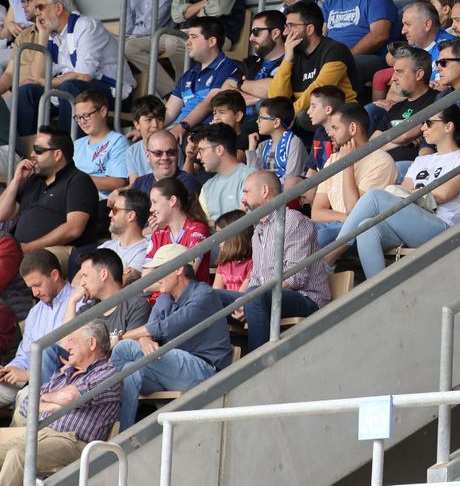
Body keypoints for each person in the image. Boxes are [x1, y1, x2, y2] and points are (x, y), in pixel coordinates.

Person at [326, 105, 460, 278]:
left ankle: (329, 257)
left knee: (375, 197)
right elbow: (403, 192)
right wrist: (415, 194)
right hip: (412, 222)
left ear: (448, 127)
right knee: (366, 228)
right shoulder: (423, 160)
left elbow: (443, 195)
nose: (422, 128)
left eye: (428, 123)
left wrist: (413, 193)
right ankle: (378, 294)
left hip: (443, 227)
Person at [110, 242, 234, 430]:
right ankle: (124, 436)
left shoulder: (204, 294)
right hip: (171, 365)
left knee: (124, 347)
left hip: (205, 370)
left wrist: (123, 336)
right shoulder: (164, 298)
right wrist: (144, 340)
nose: (156, 277)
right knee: (130, 369)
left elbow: (166, 328)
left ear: (178, 269)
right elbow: (149, 330)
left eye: (160, 269)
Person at [212, 171, 329, 352]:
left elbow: (295, 278)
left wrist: (251, 298)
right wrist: (247, 302)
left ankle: (259, 361)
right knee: (209, 296)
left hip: (307, 299)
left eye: (246, 192)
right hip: (264, 297)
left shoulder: (292, 220)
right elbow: (257, 278)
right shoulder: (258, 229)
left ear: (265, 190)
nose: (242, 199)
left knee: (256, 295)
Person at [0, 317, 120, 483]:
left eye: (72, 340)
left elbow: (71, 397)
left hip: (74, 442)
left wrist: (45, 399)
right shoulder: (63, 375)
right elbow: (26, 405)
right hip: (43, 434)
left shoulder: (107, 373)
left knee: (19, 454)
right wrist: (54, 402)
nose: (67, 346)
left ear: (92, 344)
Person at [15, 0, 132, 142]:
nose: (37, 13)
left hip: (114, 94)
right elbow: (37, 76)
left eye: (40, 7)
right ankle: (28, 152)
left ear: (58, 8)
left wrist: (46, 82)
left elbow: (84, 76)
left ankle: (67, 151)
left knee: (69, 87)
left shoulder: (86, 26)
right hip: (76, 91)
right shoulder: (53, 35)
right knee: (27, 91)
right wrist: (42, 35)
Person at [310, 103, 399, 247]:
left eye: (335, 128)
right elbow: (317, 212)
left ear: (352, 128)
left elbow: (356, 211)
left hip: (363, 231)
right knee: (291, 233)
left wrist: (348, 165)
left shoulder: (381, 161)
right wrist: (347, 219)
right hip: (338, 225)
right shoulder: (333, 160)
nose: (329, 133)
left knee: (320, 237)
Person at [0, 128, 96, 254]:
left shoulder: (78, 181)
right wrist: (16, 180)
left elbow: (73, 229)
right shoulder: (32, 180)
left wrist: (30, 247)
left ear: (57, 155)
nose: (32, 154)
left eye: (38, 150)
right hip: (22, 251)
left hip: (57, 250)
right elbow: (2, 215)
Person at [0, 251, 73, 409]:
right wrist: (10, 369)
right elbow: (24, 355)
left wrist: (28, 374)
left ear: (54, 275)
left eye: (37, 285)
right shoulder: (34, 312)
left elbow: (73, 357)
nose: (34, 293)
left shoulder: (78, 302)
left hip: (59, 380)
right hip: (26, 377)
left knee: (25, 398)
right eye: (30, 288)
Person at [321, 0, 400, 88]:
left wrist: (345, 58)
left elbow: (379, 35)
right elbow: (322, 34)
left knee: (335, 73)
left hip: (366, 59)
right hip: (331, 60)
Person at [270, 1, 357, 117]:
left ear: (310, 29)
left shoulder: (335, 51)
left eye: (291, 26)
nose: (285, 32)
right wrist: (287, 60)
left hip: (341, 115)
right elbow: (276, 98)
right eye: (286, 26)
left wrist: (287, 117)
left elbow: (319, 91)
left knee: (302, 116)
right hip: (305, 113)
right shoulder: (293, 53)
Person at [165, 17, 243, 139]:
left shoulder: (227, 68)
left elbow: (208, 103)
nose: (188, 42)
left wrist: (182, 126)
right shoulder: (188, 75)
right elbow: (168, 113)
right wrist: (148, 129)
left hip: (202, 131)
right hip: (180, 130)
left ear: (212, 41)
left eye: (194, 37)